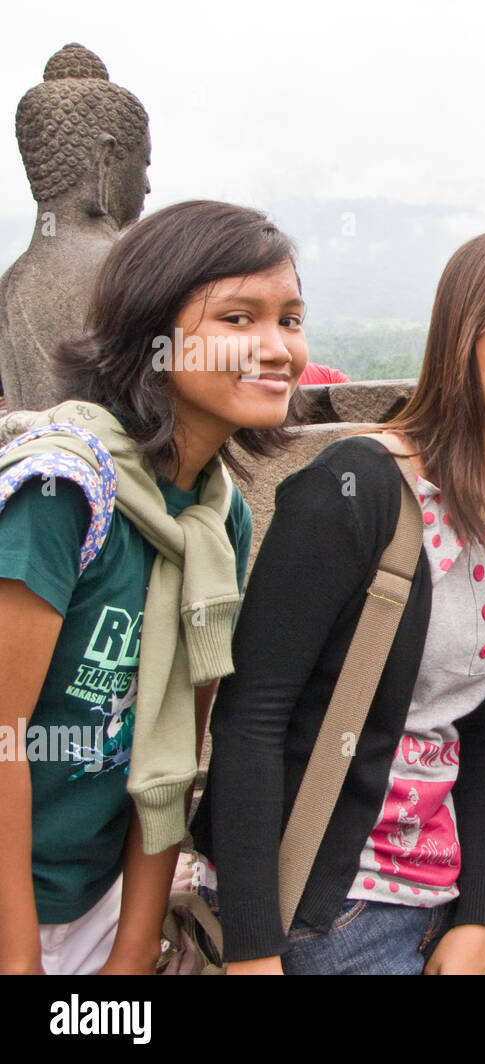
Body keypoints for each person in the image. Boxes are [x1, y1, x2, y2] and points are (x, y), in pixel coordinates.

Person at [195, 227, 485, 975]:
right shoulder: (355, 491)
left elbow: (481, 730)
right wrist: (253, 950)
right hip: (327, 913)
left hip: (436, 906)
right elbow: (251, 718)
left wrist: (483, 911)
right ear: (463, 344)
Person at [0, 199, 303, 974]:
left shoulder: (215, 518)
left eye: (290, 319)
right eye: (238, 319)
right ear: (152, 340)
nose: (276, 349)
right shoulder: (60, 491)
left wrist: (133, 950)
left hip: (96, 903)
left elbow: (170, 747)